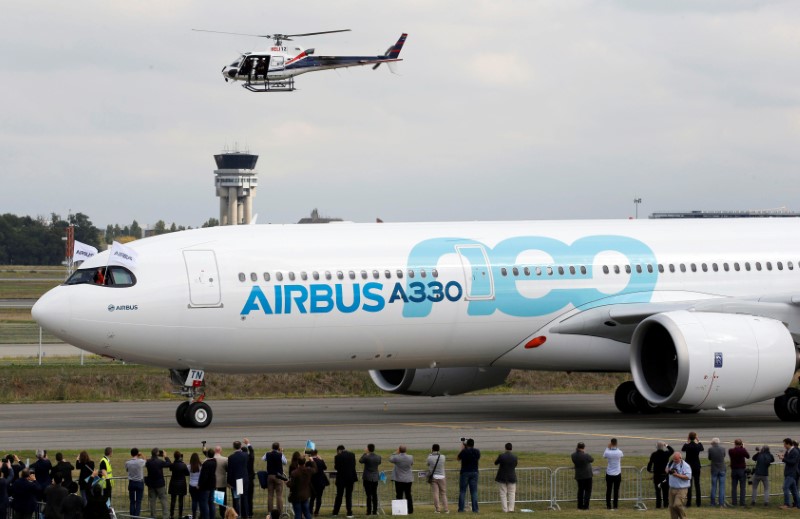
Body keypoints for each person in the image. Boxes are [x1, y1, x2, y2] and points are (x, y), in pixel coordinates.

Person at [332, 445, 358, 518]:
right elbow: (354, 465)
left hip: (341, 479)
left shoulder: (337, 457)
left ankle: (335, 512)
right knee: (348, 496)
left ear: (339, 450)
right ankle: (349, 513)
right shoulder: (352, 455)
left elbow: (336, 467)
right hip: (350, 478)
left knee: (339, 496)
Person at [261, 442, 287, 515]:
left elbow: (262, 458)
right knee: (279, 495)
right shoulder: (280, 455)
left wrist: (269, 452)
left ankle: (270, 512)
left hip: (270, 476)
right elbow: (285, 462)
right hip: (278, 476)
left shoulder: (268, 454)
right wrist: (281, 452)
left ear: (272, 447)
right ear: (278, 447)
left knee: (270, 495)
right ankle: (280, 512)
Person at [647, 441, 674, 509]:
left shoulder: (654, 454)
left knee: (658, 491)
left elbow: (650, 463)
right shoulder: (666, 454)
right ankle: (666, 505)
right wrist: (666, 445)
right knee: (665, 491)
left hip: (657, 475)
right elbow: (672, 450)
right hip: (664, 475)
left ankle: (658, 505)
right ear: (662, 447)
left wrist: (649, 470)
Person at [389, 445, 414, 514]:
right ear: (406, 450)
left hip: (399, 480)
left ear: (399, 450)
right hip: (408, 479)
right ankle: (410, 510)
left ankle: (399, 510)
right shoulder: (410, 457)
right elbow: (411, 463)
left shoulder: (396, 457)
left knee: (399, 495)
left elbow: (390, 459)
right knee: (408, 495)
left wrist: (395, 452)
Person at [457, 438, 480, 513]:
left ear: (467, 444)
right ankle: (475, 509)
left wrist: (462, 449)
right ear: (473, 444)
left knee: (463, 491)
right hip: (474, 472)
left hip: (465, 472)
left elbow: (458, 458)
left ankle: (461, 509)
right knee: (474, 492)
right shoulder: (477, 451)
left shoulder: (464, 451)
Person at [227, 442, 249, 519]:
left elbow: (230, 471)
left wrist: (229, 482)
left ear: (233, 447)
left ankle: (236, 515)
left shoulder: (231, 457)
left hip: (237, 480)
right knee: (244, 499)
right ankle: (245, 515)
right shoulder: (245, 455)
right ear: (240, 446)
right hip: (244, 479)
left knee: (236, 499)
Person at [667, 452, 692, 519]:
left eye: (676, 460)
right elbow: (666, 469)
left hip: (682, 489)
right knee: (671, 506)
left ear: (680, 458)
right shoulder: (671, 463)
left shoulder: (686, 466)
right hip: (672, 488)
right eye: (674, 459)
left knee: (677, 505)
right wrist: (668, 471)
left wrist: (676, 475)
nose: (675, 461)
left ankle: (684, 517)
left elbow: (688, 477)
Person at [681, 432, 703, 507]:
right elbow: (702, 448)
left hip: (688, 466)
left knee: (689, 484)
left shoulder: (687, 446)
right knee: (697, 484)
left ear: (689, 437)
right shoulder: (697, 446)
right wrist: (698, 440)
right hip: (696, 466)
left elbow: (683, 449)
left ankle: (689, 502)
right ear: (695, 437)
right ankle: (698, 502)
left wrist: (687, 441)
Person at [495, 443, 517, 513]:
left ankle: (505, 509)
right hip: (512, 476)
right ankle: (511, 509)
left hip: (502, 477)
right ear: (511, 448)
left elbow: (496, 463)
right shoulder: (514, 457)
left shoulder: (501, 456)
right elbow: (515, 465)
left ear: (505, 448)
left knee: (503, 493)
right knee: (512, 493)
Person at [359, 444, 381, 515]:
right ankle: (374, 510)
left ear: (368, 449)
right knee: (374, 495)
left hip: (367, 478)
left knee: (368, 495)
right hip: (375, 478)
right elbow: (379, 463)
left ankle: (368, 511)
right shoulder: (378, 457)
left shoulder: (366, 457)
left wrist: (365, 453)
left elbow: (360, 460)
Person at [571, 442, 594, 510]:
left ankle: (580, 505)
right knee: (587, 491)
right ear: (583, 447)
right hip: (587, 475)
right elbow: (592, 459)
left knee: (580, 491)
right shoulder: (585, 455)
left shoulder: (573, 455)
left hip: (579, 475)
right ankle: (586, 506)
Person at [426, 444, 448, 514]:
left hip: (434, 476)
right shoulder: (443, 457)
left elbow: (427, 464)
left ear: (432, 449)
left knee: (435, 493)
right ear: (439, 449)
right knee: (443, 493)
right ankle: (446, 509)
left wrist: (430, 454)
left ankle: (437, 509)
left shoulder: (430, 457)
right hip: (442, 476)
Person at [728, 438, 750, 507]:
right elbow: (748, 456)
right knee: (742, 487)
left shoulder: (731, 451)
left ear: (734, 443)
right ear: (741, 444)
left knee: (734, 487)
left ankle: (734, 502)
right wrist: (743, 448)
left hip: (734, 470)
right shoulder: (743, 450)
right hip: (741, 470)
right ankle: (742, 502)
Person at [124, 448, 146, 517]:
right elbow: (146, 460)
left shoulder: (128, 462)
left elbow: (127, 470)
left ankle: (132, 516)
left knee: (132, 501)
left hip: (132, 482)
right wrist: (141, 454)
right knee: (138, 501)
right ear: (137, 454)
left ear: (131, 454)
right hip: (139, 482)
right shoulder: (140, 461)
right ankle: (136, 516)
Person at [780, 437, 800, 510]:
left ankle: (787, 504)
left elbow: (793, 462)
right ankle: (798, 505)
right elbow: (786, 459)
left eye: (785, 444)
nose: (784, 446)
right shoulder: (788, 451)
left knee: (785, 487)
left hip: (792, 473)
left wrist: (784, 459)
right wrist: (782, 457)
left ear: (788, 444)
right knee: (794, 490)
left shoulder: (795, 451)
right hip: (788, 472)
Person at [603, 438, 623, 510]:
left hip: (609, 473)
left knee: (608, 490)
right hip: (617, 473)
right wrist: (615, 447)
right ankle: (615, 506)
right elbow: (621, 455)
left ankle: (608, 505)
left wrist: (608, 447)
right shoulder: (619, 452)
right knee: (616, 490)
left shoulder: (608, 452)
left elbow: (604, 455)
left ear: (611, 443)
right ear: (616, 444)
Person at [169, 451, 190, 519]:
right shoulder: (183, 465)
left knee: (173, 500)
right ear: (180, 457)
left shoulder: (173, 464)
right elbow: (187, 473)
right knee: (180, 501)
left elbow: (170, 469)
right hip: (181, 484)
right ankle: (180, 515)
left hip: (174, 484)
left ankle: (171, 514)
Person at [308, 450, 329, 517]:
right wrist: (321, 459)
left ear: (310, 455)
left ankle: (310, 511)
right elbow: (325, 467)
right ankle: (316, 512)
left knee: (312, 498)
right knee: (319, 498)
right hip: (320, 482)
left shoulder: (309, 462)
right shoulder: (320, 461)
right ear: (317, 454)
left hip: (312, 482)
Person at [706, 438, 726, 507]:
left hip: (714, 469)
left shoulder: (710, 449)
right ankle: (721, 503)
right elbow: (724, 456)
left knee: (714, 487)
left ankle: (712, 503)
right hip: (722, 468)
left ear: (713, 443)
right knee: (722, 487)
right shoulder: (723, 448)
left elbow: (709, 458)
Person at [198, 450, 217, 519]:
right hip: (213, 485)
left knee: (204, 503)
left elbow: (204, 476)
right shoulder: (214, 461)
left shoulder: (206, 464)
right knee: (212, 503)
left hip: (206, 486)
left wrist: (199, 484)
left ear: (207, 455)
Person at [212, 446, 228, 519]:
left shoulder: (210, 459)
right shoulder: (225, 459)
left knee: (212, 500)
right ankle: (223, 515)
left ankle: (212, 514)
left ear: (215, 451)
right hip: (221, 482)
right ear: (220, 451)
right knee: (222, 501)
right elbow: (228, 469)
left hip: (213, 482)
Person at [243, 439, 255, 519]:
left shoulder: (240, 458)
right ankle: (250, 513)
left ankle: (244, 513)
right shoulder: (250, 458)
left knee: (243, 497)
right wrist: (248, 444)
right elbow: (252, 452)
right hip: (250, 480)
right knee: (250, 498)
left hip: (242, 481)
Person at [188, 453, 203, 519]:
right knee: (200, 501)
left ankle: (194, 515)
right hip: (198, 486)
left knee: (194, 501)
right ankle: (200, 514)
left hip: (191, 485)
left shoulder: (189, 466)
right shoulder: (200, 466)